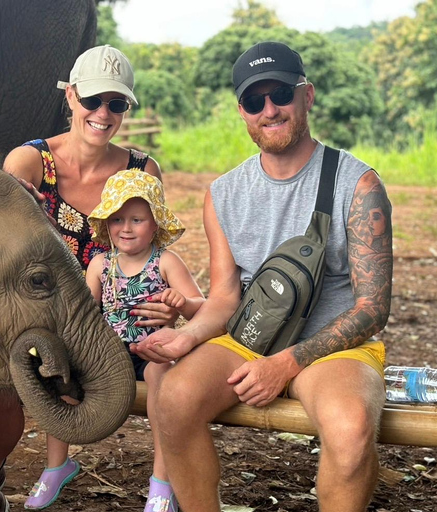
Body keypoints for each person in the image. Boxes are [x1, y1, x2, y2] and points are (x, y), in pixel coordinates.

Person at [131, 41, 393, 512]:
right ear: (242, 111)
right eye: (255, 101)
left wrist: (287, 364)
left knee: (352, 430)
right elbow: (226, 298)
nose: (269, 110)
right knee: (173, 399)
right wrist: (185, 337)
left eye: (281, 95)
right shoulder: (224, 193)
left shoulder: (358, 184)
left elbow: (373, 310)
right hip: (250, 337)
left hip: (335, 349)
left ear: (307, 95)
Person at [0, 44, 176, 512]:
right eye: (93, 101)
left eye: (116, 103)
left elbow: (150, 255)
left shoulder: (143, 171)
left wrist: (165, 299)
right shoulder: (28, 163)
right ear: (71, 97)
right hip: (20, 308)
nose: (103, 113)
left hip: (97, 325)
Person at [80, 170, 203, 512]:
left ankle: (162, 482)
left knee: (161, 377)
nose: (126, 228)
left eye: (137, 219)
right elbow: (87, 313)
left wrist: (183, 303)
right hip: (110, 353)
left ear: (155, 225)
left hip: (155, 349)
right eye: (117, 219)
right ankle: (56, 465)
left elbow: (204, 311)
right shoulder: (101, 264)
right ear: (106, 225)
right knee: (67, 376)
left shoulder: (165, 262)